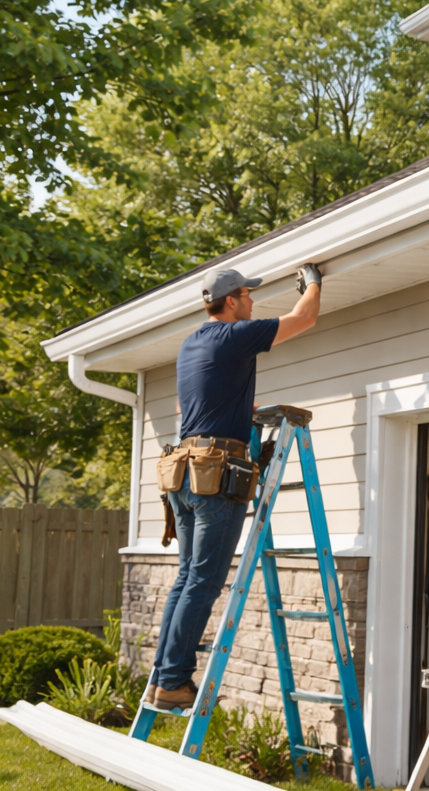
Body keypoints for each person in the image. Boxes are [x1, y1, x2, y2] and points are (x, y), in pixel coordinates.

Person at [148, 263, 324, 709]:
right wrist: (314, 280)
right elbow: (305, 320)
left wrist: (241, 408)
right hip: (215, 477)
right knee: (203, 582)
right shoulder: (233, 336)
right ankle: (172, 683)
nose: (251, 302)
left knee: (186, 578)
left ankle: (162, 678)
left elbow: (188, 399)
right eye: (247, 295)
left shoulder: (192, 343)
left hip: (183, 474)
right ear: (230, 301)